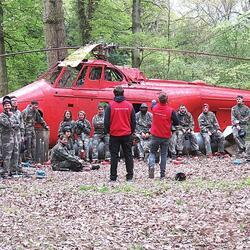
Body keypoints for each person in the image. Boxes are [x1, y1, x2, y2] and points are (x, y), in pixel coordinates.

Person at [104, 86, 136, 182]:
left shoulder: (110, 106)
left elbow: (106, 122)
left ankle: (113, 177)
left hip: (114, 134)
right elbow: (133, 121)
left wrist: (109, 131)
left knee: (114, 156)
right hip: (126, 134)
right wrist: (131, 131)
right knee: (128, 156)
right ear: (123, 93)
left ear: (114, 93)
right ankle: (129, 176)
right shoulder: (129, 106)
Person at [148, 92, 179, 179]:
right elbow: (177, 122)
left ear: (159, 100)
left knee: (152, 152)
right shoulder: (171, 110)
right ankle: (162, 175)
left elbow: (153, 104)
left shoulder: (154, 108)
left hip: (155, 134)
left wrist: (155, 102)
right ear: (167, 100)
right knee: (164, 154)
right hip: (165, 135)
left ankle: (151, 166)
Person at [0, 96, 19, 177]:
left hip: (14, 137)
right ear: (3, 106)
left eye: (9, 105)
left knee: (15, 154)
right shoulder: (2, 116)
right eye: (6, 105)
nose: (8, 107)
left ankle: (13, 171)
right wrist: (11, 118)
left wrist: (12, 120)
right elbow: (8, 124)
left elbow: (18, 124)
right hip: (6, 139)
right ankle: (5, 172)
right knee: (7, 156)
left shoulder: (13, 114)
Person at [10, 96, 25, 168]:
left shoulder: (19, 112)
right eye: (13, 100)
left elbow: (22, 123)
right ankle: (10, 167)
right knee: (11, 150)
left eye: (16, 100)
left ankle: (18, 166)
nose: (15, 102)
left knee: (19, 150)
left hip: (18, 134)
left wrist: (22, 135)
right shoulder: (8, 112)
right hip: (10, 134)